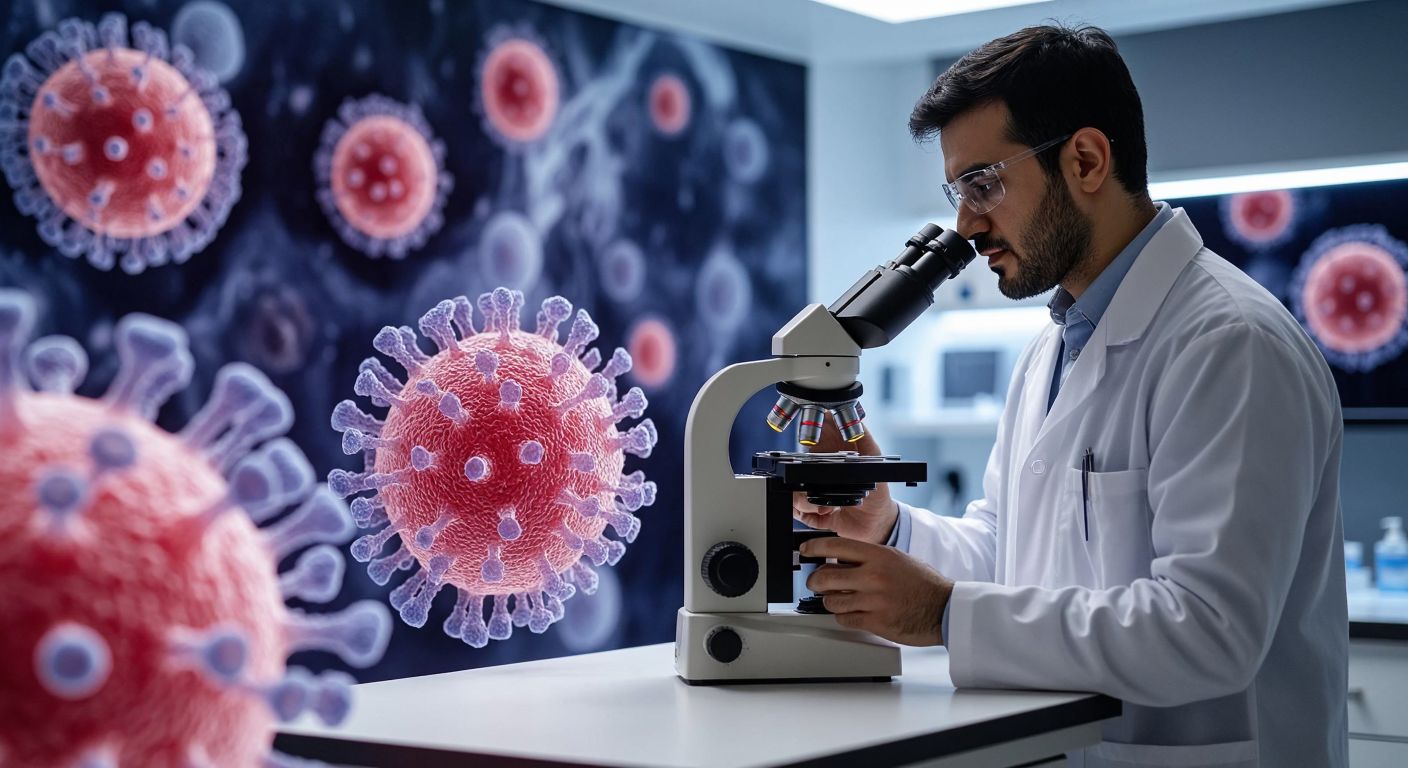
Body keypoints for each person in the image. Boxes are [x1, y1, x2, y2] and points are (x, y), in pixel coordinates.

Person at [795, 23, 1347, 768]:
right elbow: (1009, 554)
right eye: (957, 192)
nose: (965, 225)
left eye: (983, 183)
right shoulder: (1051, 348)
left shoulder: (1230, 343)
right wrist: (889, 527)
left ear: (1085, 159)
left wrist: (944, 614)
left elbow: (1209, 629)